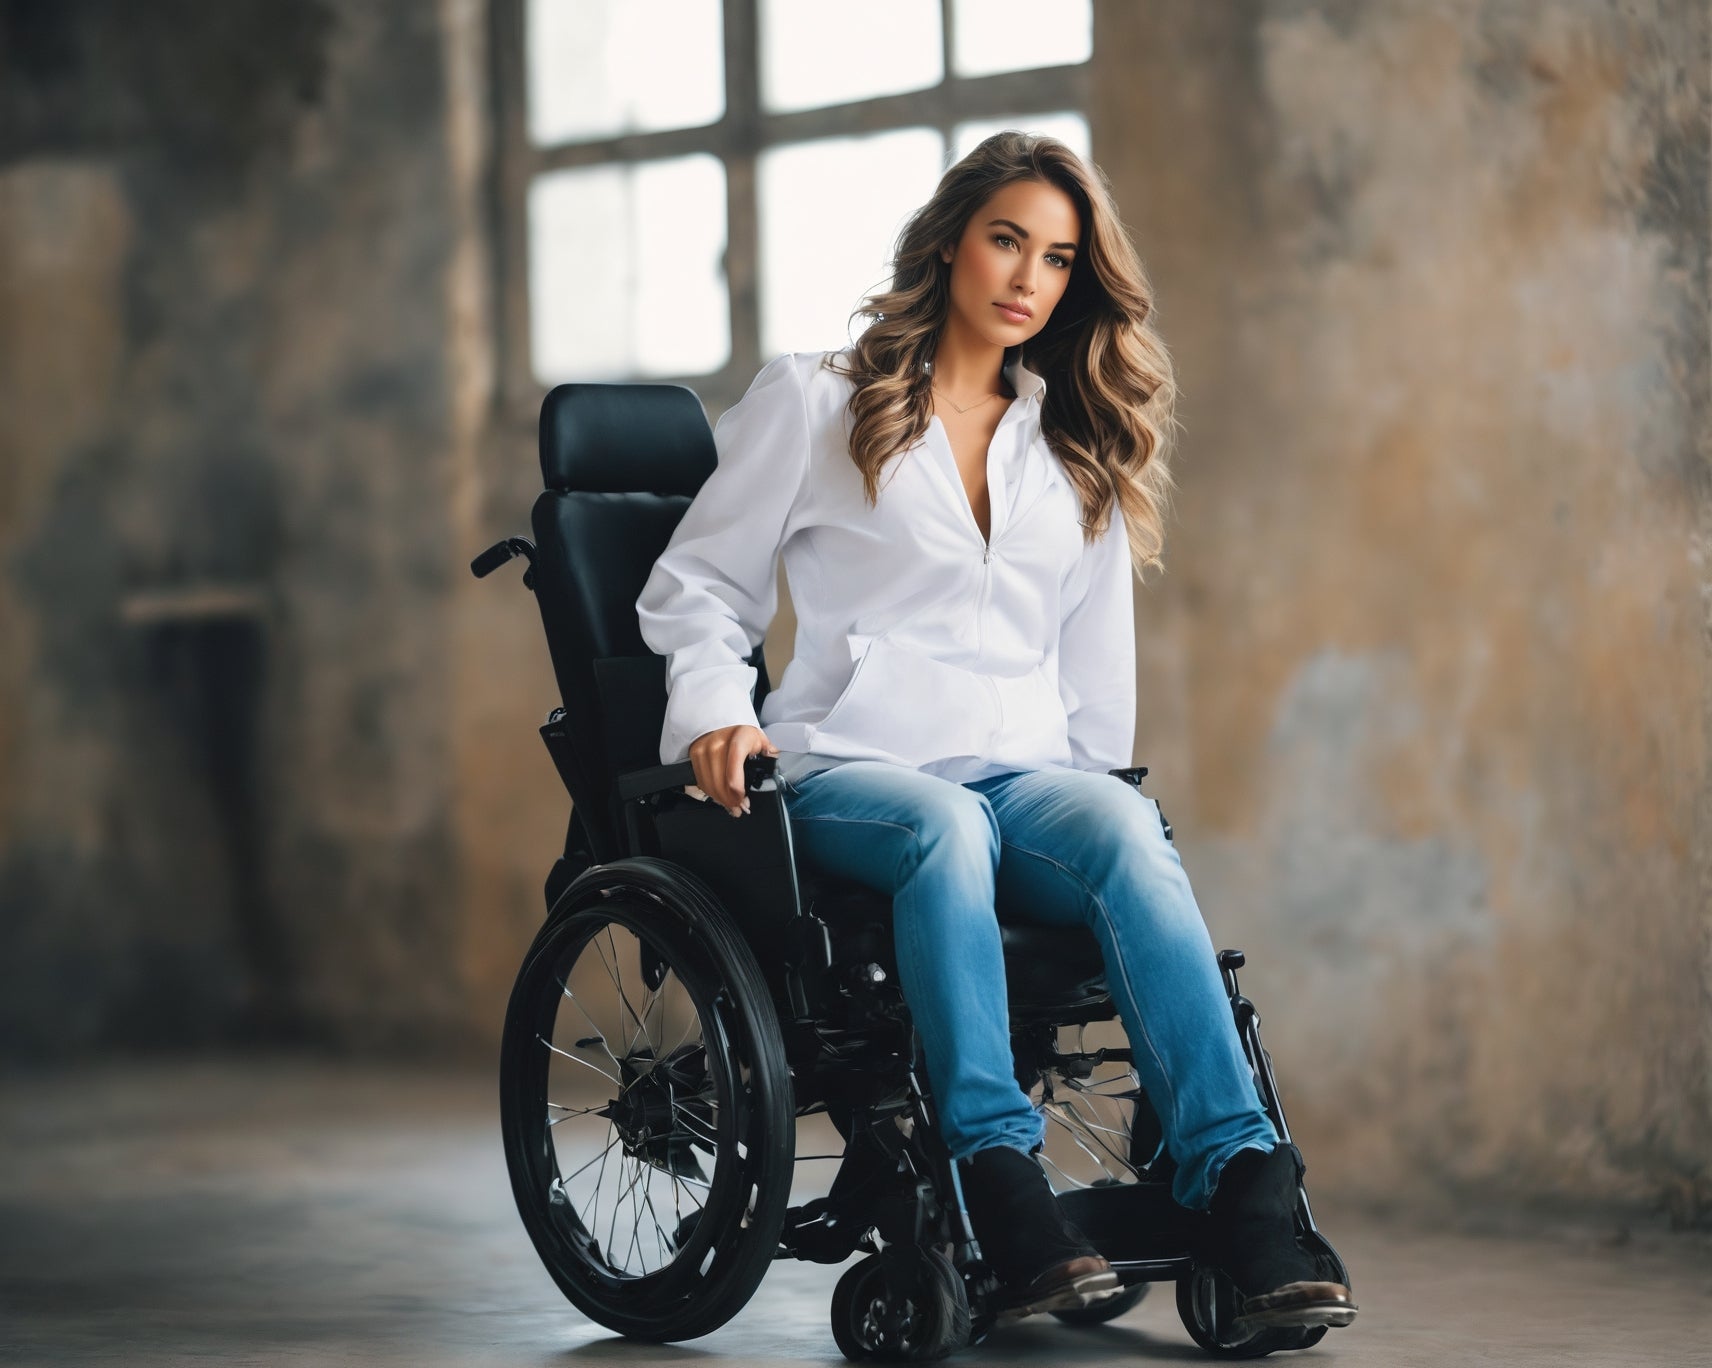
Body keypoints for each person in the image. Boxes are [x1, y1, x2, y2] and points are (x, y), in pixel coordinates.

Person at [636, 130, 1355, 1334]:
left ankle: (1238, 1178)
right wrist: (714, 710)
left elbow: (1090, 682)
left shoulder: (1068, 445)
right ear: (951, 242)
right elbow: (697, 588)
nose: (1027, 277)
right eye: (1006, 240)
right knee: (939, 830)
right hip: (849, 771)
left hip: (1016, 776)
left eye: (1059, 259)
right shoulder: (818, 398)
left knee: (1123, 828)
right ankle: (995, 1170)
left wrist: (1094, 813)